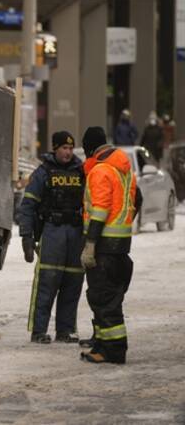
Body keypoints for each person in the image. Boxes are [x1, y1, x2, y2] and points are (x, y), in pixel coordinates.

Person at [79, 127, 142, 364]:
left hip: (104, 246)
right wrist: (123, 223)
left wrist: (91, 244)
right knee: (108, 298)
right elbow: (138, 199)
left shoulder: (101, 171)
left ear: (90, 149)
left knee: (103, 298)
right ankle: (102, 345)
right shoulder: (124, 171)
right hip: (120, 247)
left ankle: (112, 350)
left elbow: (100, 210)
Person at [18, 131, 85, 344]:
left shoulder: (81, 171)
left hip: (75, 234)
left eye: (70, 148)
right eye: (63, 148)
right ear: (55, 148)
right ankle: (39, 331)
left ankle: (65, 331)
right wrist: (26, 237)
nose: (67, 152)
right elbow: (28, 206)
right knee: (47, 283)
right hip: (53, 232)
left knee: (72, 283)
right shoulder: (43, 173)